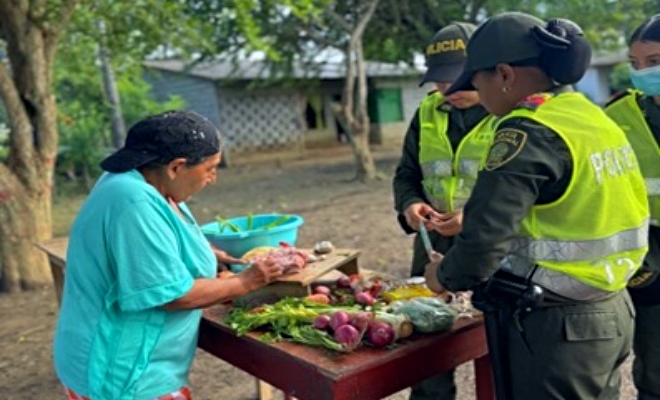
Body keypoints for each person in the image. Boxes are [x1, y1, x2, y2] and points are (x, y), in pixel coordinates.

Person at [423, 12, 650, 399]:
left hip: (558, 329)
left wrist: (442, 275)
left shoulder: (527, 131)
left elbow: (483, 242)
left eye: (476, 81)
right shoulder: (589, 116)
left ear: (504, 74)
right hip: (611, 310)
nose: (477, 93)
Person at [53, 110, 283, 400]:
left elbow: (151, 245)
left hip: (107, 357)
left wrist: (206, 253)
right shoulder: (134, 202)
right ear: (176, 167)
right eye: (210, 168)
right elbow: (172, 296)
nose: (212, 178)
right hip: (124, 372)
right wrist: (246, 281)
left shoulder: (139, 179)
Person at [392, 22, 494, 400]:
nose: (446, 89)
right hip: (433, 244)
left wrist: (474, 218)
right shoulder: (427, 113)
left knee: (496, 348)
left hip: (491, 246)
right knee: (427, 347)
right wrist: (410, 204)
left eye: (456, 79)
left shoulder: (511, 115)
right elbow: (406, 174)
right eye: (439, 80)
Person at [604, 14, 660, 400]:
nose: (643, 73)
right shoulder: (617, 117)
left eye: (654, 62)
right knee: (655, 364)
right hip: (650, 253)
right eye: (635, 64)